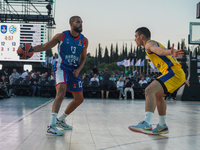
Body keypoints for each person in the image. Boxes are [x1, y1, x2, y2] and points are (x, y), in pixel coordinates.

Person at [32, 16, 88, 136]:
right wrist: (30, 49)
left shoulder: (84, 41)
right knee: (61, 92)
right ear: (71, 24)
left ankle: (60, 120)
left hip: (74, 70)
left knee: (79, 99)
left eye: (81, 22)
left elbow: (83, 58)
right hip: (61, 68)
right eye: (78, 22)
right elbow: (44, 46)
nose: (81, 24)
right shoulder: (61, 36)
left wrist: (78, 69)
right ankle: (51, 126)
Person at [129, 27, 190, 135]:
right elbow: (166, 59)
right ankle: (162, 126)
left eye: (136, 36)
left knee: (149, 90)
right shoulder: (151, 44)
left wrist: (169, 52)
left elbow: (158, 50)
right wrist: (182, 78)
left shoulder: (149, 44)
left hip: (174, 73)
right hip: (175, 73)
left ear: (141, 36)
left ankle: (146, 124)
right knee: (157, 95)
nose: (135, 39)